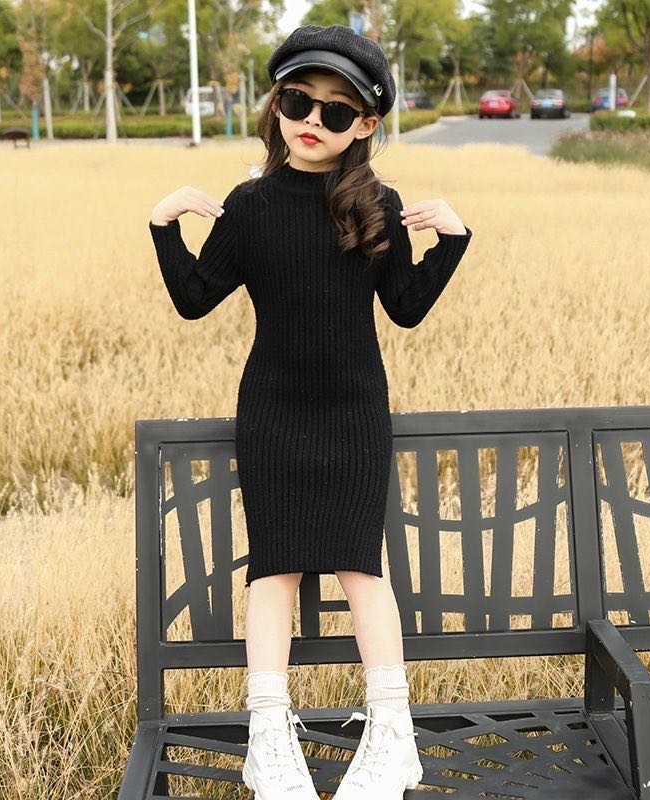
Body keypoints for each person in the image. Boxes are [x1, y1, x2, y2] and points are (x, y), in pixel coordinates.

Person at [148, 23, 473, 800]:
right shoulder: (250, 205)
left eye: (336, 110)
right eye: (298, 101)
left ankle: (394, 736)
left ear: (366, 124)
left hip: (356, 413)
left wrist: (453, 243)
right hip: (272, 411)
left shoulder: (375, 203)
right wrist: (163, 225)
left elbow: (404, 307)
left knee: (364, 568)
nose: (312, 121)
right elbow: (195, 298)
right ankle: (269, 739)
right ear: (277, 104)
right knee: (274, 569)